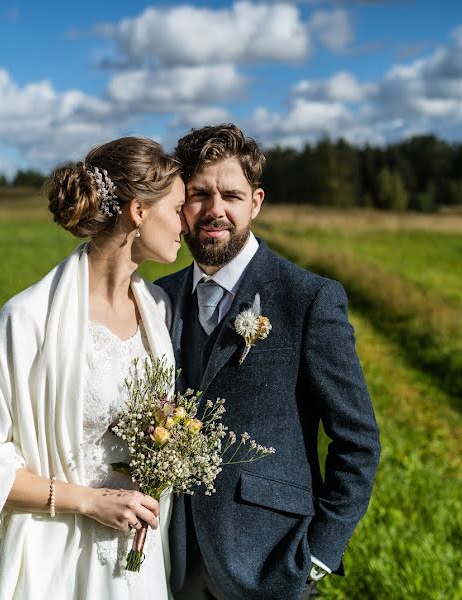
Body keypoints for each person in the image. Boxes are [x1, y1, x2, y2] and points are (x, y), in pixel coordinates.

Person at [0, 137, 185, 599]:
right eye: (178, 207)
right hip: (56, 559)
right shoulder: (29, 320)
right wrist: (87, 502)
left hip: (136, 562)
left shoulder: (159, 311)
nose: (185, 222)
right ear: (139, 211)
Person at [155, 124, 380, 600]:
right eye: (200, 194)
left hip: (272, 565)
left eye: (231, 195)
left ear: (255, 202)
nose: (215, 209)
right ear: (181, 205)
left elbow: (357, 440)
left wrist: (318, 555)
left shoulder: (309, 299)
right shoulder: (161, 298)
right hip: (173, 562)